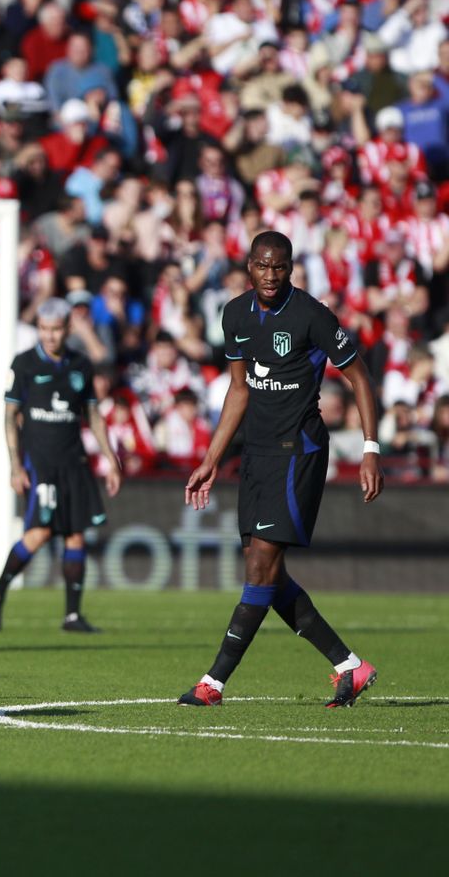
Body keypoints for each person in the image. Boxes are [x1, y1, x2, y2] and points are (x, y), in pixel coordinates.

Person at [179, 231, 383, 708]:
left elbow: (358, 376)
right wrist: (211, 459)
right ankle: (350, 666)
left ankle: (213, 683)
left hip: (299, 452)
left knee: (259, 568)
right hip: (257, 454)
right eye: (262, 267)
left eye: (280, 267)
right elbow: (239, 390)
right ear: (249, 266)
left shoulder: (311, 314)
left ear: (291, 267)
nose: (271, 276)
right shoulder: (233, 314)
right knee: (267, 575)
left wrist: (370, 448)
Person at [0, 297, 123, 633]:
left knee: (76, 535)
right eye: (44, 330)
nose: (49, 336)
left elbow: (93, 415)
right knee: (40, 532)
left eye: (56, 330)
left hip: (73, 460)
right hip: (40, 463)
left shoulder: (81, 365)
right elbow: (10, 416)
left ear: (67, 329)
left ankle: (72, 615)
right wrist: (16, 466)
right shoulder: (25, 364)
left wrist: (111, 459)